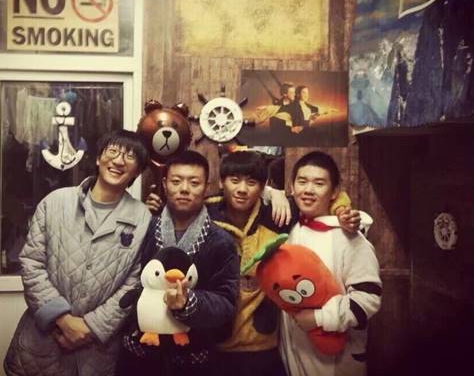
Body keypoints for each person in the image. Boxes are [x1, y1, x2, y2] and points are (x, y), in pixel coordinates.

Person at [146, 151, 361, 376]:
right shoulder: (205, 213)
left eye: (251, 182)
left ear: (262, 186)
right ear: (221, 182)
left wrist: (342, 211)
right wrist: (152, 206)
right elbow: (174, 208)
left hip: (264, 342)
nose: (242, 189)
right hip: (213, 341)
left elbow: (330, 197)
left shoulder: (278, 214)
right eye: (234, 180)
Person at [4, 130, 152, 376]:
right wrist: (63, 320)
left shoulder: (142, 218)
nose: (118, 161)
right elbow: (31, 263)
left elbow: (134, 283)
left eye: (130, 156)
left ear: (137, 171)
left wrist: (90, 328)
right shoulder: (55, 202)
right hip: (42, 344)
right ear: (98, 158)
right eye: (113, 151)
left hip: (96, 352)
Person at [116, 150, 240, 376]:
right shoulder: (145, 229)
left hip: (192, 357)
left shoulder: (221, 241)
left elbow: (226, 302)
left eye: (194, 183)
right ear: (164, 184)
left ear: (207, 187)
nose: (184, 189)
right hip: (139, 353)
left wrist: (188, 302)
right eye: (176, 181)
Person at [279, 151, 382, 376]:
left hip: (336, 360)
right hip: (294, 356)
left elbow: (368, 299)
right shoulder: (290, 229)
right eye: (302, 181)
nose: (308, 190)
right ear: (292, 187)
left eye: (319, 183)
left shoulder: (349, 237)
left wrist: (319, 318)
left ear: (335, 192)